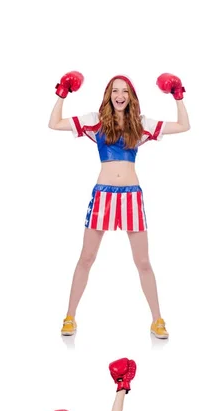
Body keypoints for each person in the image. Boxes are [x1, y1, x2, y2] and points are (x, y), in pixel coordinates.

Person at [49, 72, 190, 339]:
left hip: (132, 197)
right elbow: (54, 123)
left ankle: (157, 320)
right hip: (103, 196)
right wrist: (62, 93)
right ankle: (70, 316)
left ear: (131, 96)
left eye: (125, 91)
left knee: (143, 262)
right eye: (115, 90)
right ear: (108, 94)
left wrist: (177, 95)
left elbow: (184, 126)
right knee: (86, 258)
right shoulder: (96, 121)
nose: (120, 95)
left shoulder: (141, 124)